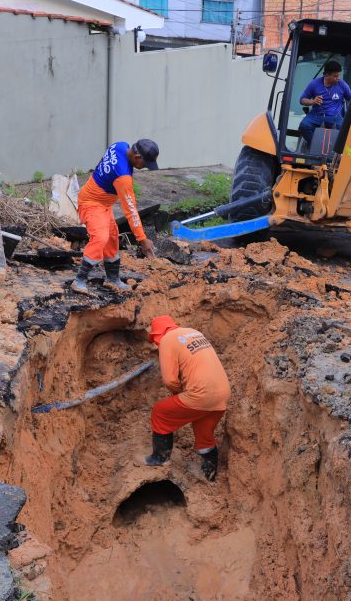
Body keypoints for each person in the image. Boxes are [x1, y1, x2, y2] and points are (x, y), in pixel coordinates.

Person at [145, 315, 231, 481]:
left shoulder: (167, 340)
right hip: (222, 394)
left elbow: (169, 379)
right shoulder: (193, 332)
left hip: (201, 394)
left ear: (157, 334)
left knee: (160, 412)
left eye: (155, 340)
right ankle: (210, 475)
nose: (156, 344)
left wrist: (178, 392)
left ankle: (160, 458)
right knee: (203, 432)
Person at [72, 139, 159, 294]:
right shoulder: (123, 178)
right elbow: (131, 211)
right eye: (145, 164)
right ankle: (79, 280)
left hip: (103, 203)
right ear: (137, 157)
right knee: (100, 237)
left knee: (112, 238)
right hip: (90, 203)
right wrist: (142, 239)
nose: (144, 168)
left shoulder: (120, 145)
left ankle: (113, 279)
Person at [298, 59, 351, 146]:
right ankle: (316, 145)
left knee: (345, 133)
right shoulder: (314, 84)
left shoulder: (342, 85)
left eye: (339, 75)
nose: (338, 78)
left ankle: (335, 152)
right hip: (317, 115)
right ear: (327, 75)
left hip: (335, 117)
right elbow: (302, 100)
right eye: (335, 76)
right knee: (304, 126)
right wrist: (313, 101)